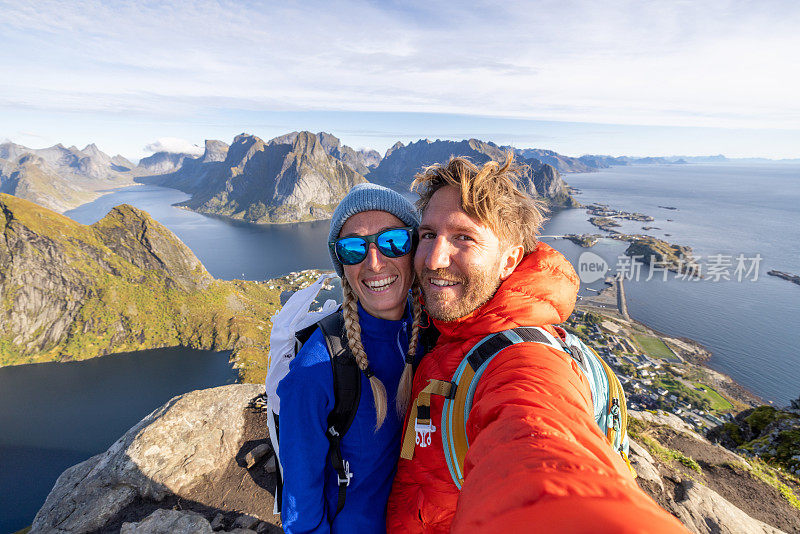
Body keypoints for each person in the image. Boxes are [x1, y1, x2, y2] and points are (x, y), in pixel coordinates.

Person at [386, 156, 688, 533]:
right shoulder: (443, 332)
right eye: (429, 235)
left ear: (509, 260)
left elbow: (539, 440)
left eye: (463, 237)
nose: (433, 259)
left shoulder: (522, 359)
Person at [277, 183, 424, 533]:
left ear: (414, 248)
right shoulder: (316, 369)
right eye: (353, 248)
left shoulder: (430, 334)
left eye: (393, 241)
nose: (374, 262)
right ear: (343, 265)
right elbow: (300, 502)